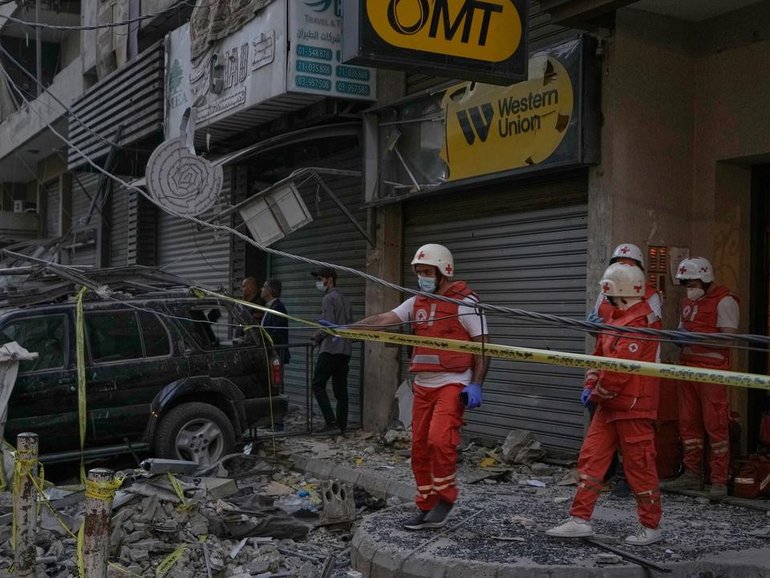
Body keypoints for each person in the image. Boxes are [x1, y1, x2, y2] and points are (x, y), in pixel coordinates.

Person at [351, 243, 489, 531]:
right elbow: (385, 319)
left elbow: (482, 348)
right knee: (419, 448)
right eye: (419, 272)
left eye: (427, 271)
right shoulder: (417, 302)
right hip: (423, 386)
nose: (422, 277)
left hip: (453, 382)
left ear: (443, 271)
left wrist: (475, 384)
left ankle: (446, 499)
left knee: (440, 441)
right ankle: (426, 506)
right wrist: (345, 329)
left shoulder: (466, 302)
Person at [547, 263, 662, 546]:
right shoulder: (615, 316)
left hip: (633, 407)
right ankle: (579, 519)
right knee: (591, 458)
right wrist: (590, 384)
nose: (606, 300)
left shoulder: (641, 324)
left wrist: (596, 392)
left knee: (639, 467)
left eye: (608, 294)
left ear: (619, 293)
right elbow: (599, 355)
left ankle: (651, 526)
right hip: (610, 405)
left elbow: (617, 375)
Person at [586, 242, 663, 498]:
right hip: (607, 373)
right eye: (619, 261)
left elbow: (644, 341)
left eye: (628, 263)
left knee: (636, 452)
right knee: (594, 452)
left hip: (633, 384)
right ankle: (582, 513)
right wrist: (592, 383)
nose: (623, 266)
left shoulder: (648, 298)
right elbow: (599, 336)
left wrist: (598, 389)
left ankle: (625, 481)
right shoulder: (607, 289)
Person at [661, 257, 739, 501]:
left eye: (692, 282)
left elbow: (728, 339)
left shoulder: (725, 301)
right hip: (688, 370)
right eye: (686, 283)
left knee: (715, 425)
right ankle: (692, 473)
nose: (689, 288)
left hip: (712, 372)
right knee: (688, 424)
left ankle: (718, 480)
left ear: (705, 279)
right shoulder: (688, 301)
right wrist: (679, 338)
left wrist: (695, 337)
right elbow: (683, 328)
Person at [310, 266, 353, 435]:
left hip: (330, 350)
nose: (319, 283)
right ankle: (341, 425)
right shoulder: (345, 299)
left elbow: (328, 325)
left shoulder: (328, 299)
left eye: (320, 279)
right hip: (345, 350)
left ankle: (330, 422)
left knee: (317, 384)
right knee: (341, 390)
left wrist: (317, 337)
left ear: (330, 279)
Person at [261, 279, 291, 365]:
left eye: (264, 287)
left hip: (275, 354)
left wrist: (265, 343)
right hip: (270, 354)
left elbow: (277, 333)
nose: (261, 289)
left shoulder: (278, 308)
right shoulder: (270, 306)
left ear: (269, 290)